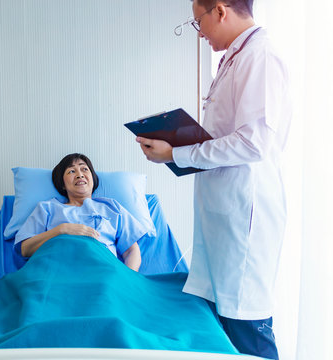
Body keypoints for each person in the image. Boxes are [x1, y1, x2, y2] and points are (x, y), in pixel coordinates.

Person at [135, 1, 291, 359]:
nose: (200, 32)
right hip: (225, 215)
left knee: (248, 331)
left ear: (220, 10)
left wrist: (176, 154)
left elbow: (253, 142)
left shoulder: (259, 57)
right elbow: (228, 136)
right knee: (222, 333)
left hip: (244, 220)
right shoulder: (237, 58)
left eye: (198, 21)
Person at [14, 153, 145, 272]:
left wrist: (128, 278)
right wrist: (61, 230)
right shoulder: (47, 208)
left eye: (84, 169)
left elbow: (131, 251)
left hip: (102, 271)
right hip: (56, 270)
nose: (80, 174)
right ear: (63, 184)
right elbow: (25, 249)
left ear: (92, 178)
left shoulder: (112, 207)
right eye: (71, 171)